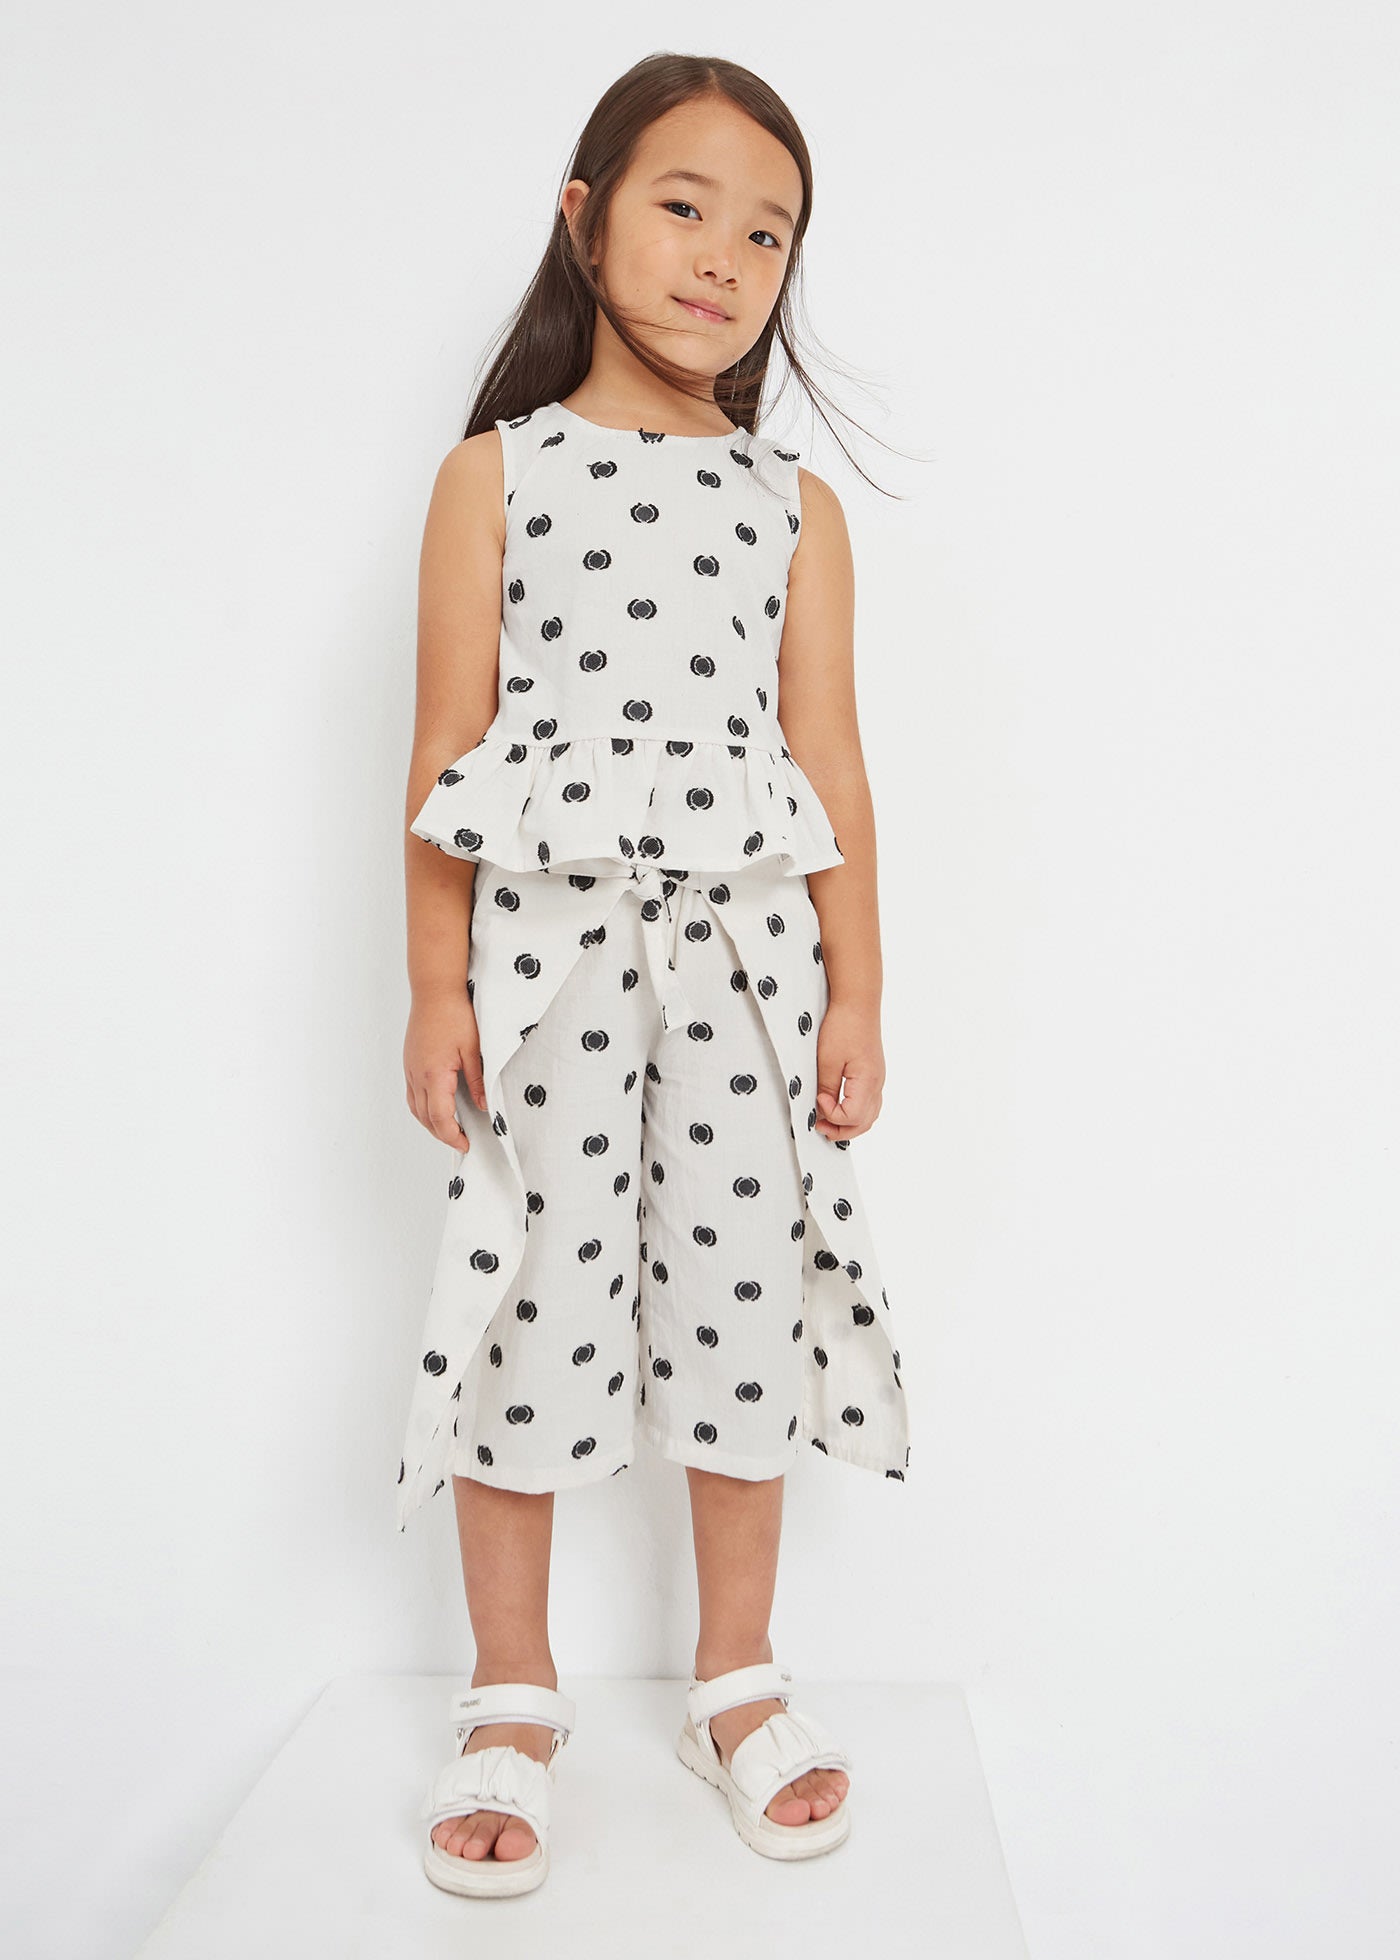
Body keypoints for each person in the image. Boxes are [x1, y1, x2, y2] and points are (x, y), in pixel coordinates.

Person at [398, 53, 913, 1897]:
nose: (723, 259)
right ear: (585, 216)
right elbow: (445, 751)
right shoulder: (497, 477)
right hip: (545, 962)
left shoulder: (794, 508)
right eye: (685, 206)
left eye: (767, 235)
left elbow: (830, 762)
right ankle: (512, 1692)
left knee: (740, 1296)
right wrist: (434, 987)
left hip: (748, 963)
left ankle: (737, 1678)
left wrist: (859, 992)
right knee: (531, 1286)